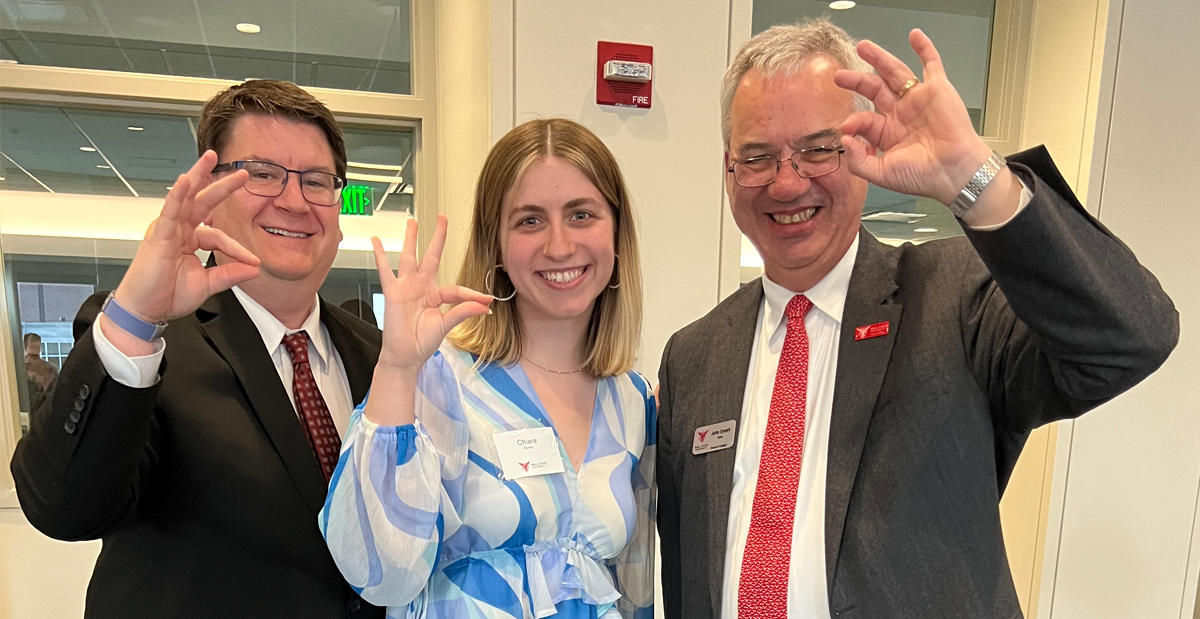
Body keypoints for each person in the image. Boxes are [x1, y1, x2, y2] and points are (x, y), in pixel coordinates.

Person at [655, 19, 1177, 619]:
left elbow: (1129, 339)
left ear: (861, 149)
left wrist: (974, 176)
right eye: (758, 156)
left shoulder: (955, 296)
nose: (787, 181)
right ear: (729, 168)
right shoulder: (693, 355)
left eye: (818, 148)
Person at [11, 80, 385, 619]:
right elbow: (64, 508)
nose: (294, 200)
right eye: (262, 174)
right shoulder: (147, 342)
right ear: (210, 193)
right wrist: (137, 313)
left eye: (316, 181)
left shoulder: (379, 356)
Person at [320, 118, 656, 618]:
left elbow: (634, 583)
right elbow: (379, 573)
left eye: (582, 214)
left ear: (617, 231)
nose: (559, 246)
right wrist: (396, 367)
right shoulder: (441, 379)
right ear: (495, 243)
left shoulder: (632, 398)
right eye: (529, 220)